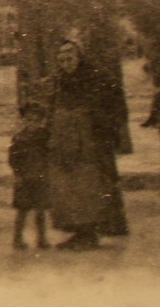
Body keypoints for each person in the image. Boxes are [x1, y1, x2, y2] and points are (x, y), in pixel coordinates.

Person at [43, 39, 129, 251]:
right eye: (61, 60)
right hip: (67, 143)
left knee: (91, 186)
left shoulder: (97, 77)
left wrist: (99, 123)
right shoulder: (60, 81)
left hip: (92, 142)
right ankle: (81, 232)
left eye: (70, 58)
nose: (66, 63)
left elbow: (115, 106)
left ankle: (91, 233)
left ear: (79, 57)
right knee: (70, 187)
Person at [9, 100, 50, 250]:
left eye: (36, 120)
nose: (32, 123)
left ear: (41, 121)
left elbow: (49, 156)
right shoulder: (19, 138)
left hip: (40, 177)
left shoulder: (45, 137)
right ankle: (17, 239)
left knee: (41, 210)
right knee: (22, 210)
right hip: (24, 178)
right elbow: (13, 159)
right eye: (28, 119)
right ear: (23, 120)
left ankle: (42, 239)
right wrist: (17, 175)